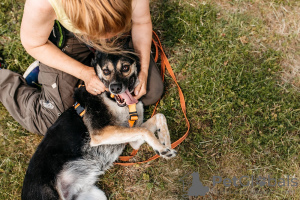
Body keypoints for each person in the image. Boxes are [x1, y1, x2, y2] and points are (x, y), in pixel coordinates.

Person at [0, 0, 163, 135]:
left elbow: (141, 22)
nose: (107, 42)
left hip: (116, 21)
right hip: (69, 38)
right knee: (52, 119)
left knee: (150, 91)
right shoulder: (43, 3)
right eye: (100, 35)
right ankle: (6, 79)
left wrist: (143, 70)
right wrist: (83, 72)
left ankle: (71, 72)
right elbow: (34, 43)